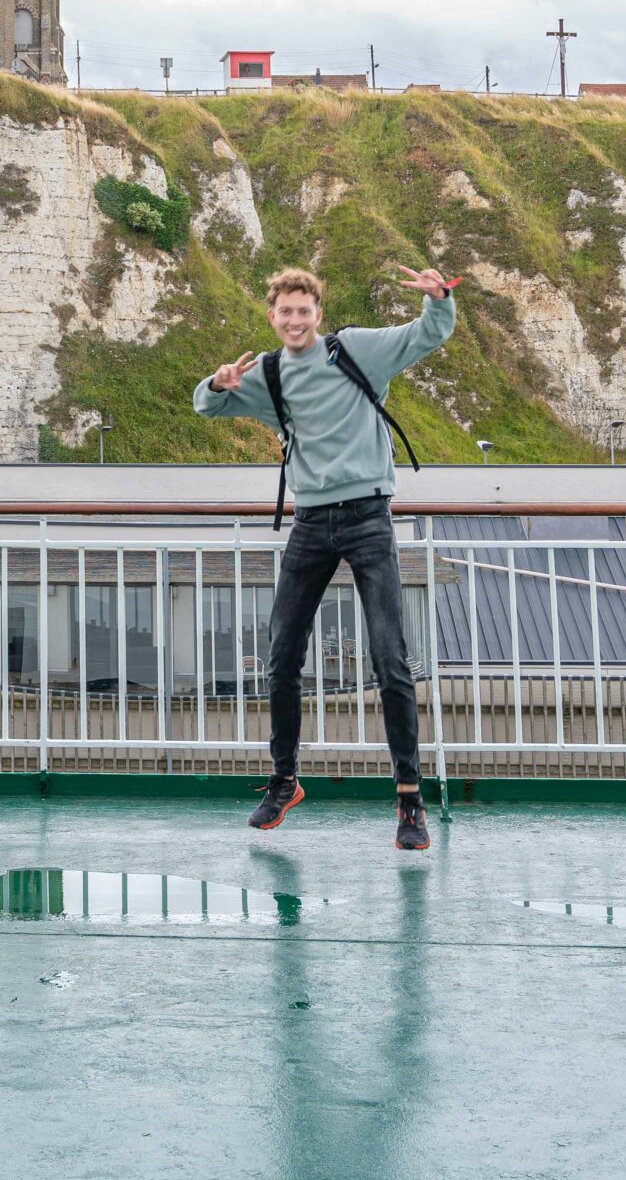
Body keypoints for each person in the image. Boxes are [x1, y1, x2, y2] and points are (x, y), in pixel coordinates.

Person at [195, 262, 457, 852]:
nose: (294, 320)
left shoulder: (356, 350)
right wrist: (215, 384)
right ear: (273, 317)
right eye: (284, 312)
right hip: (310, 524)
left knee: (391, 658)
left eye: (303, 311)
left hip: (368, 518)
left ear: (319, 313)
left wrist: (438, 298)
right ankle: (284, 781)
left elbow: (427, 335)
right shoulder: (266, 375)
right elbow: (206, 407)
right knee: (281, 657)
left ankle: (409, 800)